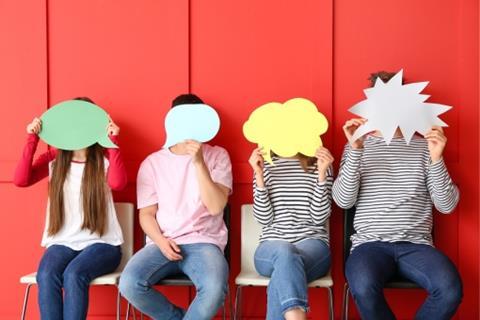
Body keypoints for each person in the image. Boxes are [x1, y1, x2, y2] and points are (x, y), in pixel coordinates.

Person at [333, 71, 462, 320]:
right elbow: (342, 201)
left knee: (449, 289)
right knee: (363, 286)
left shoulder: (426, 147)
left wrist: (436, 159)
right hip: (369, 246)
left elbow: (446, 206)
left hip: (417, 245)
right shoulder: (357, 146)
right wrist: (356, 152)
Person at [119, 94, 232, 320]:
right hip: (163, 242)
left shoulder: (218, 155)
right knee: (129, 283)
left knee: (214, 289)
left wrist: (199, 162)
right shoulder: (152, 163)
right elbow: (147, 215)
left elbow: (216, 206)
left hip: (204, 242)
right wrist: (161, 241)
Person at [14, 97, 127, 320]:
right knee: (46, 274)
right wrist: (32, 138)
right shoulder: (55, 159)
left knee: (74, 274)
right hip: (62, 241)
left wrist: (113, 142)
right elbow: (21, 180)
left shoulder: (104, 158)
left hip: (103, 244)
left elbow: (118, 183)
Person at [249, 146, 334, 320]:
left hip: (313, 245)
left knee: (281, 275)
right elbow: (264, 220)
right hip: (271, 247)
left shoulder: (321, 162)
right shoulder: (264, 164)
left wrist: (322, 174)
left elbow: (319, 218)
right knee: (284, 252)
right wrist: (259, 174)